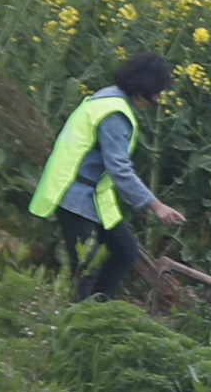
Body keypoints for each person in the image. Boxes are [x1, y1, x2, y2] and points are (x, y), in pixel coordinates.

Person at [27, 53, 186, 300]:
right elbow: (119, 168)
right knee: (86, 267)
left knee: (125, 250)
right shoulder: (115, 113)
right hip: (75, 194)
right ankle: (81, 325)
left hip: (93, 195)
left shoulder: (107, 97)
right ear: (141, 86)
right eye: (156, 92)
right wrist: (155, 205)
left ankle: (100, 312)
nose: (156, 100)